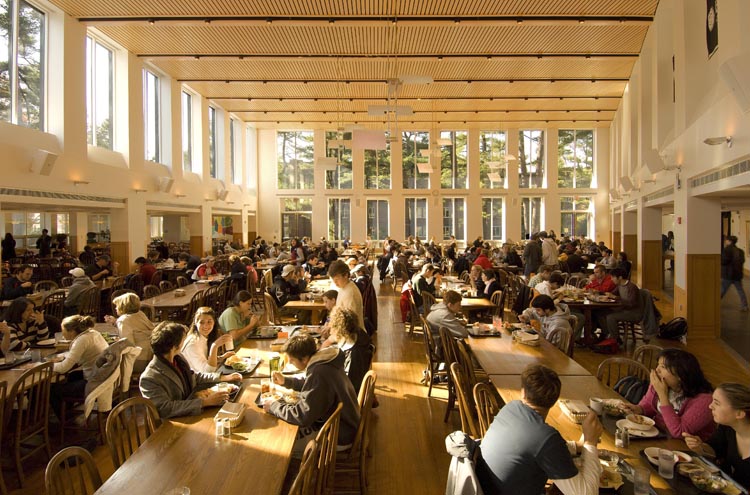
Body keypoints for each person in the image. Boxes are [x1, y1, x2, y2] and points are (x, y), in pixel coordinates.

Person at [476, 365, 602, 494]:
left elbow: (535, 449)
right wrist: (590, 442)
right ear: (554, 400)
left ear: (523, 392)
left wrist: (576, 446)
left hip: (484, 487)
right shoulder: (546, 438)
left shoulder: (511, 407)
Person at [262, 334, 361, 457]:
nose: (291, 363)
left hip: (340, 435)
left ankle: (305, 473)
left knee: (282, 445)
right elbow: (311, 384)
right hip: (345, 423)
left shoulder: (318, 372)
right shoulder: (324, 361)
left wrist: (273, 406)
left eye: (292, 360)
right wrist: (286, 381)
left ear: (304, 359)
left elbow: (302, 416)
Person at [139, 321, 242, 419]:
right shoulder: (149, 378)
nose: (185, 342)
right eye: (183, 340)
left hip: (192, 412)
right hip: (175, 424)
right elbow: (165, 408)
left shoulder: (178, 358)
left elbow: (194, 377)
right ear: (174, 347)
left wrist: (223, 377)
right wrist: (205, 402)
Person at [621, 349, 714, 441]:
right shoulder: (662, 383)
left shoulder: (705, 401)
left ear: (680, 375)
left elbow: (679, 432)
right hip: (659, 435)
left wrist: (662, 395)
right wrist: (638, 409)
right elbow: (648, 406)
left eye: (663, 367)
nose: (657, 370)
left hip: (684, 447)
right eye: (658, 365)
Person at [683, 383, 750, 487]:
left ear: (739, 414)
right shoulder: (728, 427)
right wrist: (700, 446)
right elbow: (714, 449)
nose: (710, 406)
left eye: (717, 403)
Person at [48, 315, 109, 418]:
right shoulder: (93, 333)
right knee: (72, 376)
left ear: (71, 331)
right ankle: (68, 411)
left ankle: (66, 418)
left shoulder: (81, 340)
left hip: (94, 384)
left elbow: (64, 368)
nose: (62, 333)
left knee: (53, 389)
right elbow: (77, 355)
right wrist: (63, 357)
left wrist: (45, 366)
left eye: (63, 330)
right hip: (104, 378)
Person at [323, 307, 373, 393]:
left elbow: (347, 385)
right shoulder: (358, 335)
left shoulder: (353, 355)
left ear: (338, 329)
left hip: (347, 398)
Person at [105, 292, 155, 373]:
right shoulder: (140, 314)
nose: (115, 308)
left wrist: (117, 342)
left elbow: (128, 345)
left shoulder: (123, 320)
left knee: (106, 363)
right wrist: (116, 322)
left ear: (123, 307)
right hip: (151, 357)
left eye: (117, 306)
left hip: (138, 361)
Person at [182, 307, 236, 373]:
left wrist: (221, 357)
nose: (206, 326)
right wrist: (215, 346)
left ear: (214, 322)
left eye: (209, 322)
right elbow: (208, 372)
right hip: (195, 381)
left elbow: (205, 361)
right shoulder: (192, 344)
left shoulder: (204, 337)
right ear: (195, 323)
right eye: (202, 322)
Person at [599, 267, 641, 340]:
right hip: (623, 309)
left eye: (613, 277)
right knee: (600, 313)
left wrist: (615, 298)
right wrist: (604, 295)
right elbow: (612, 294)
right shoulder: (619, 285)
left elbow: (631, 303)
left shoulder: (631, 287)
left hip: (633, 312)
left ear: (620, 277)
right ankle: (606, 334)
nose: (611, 279)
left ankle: (615, 339)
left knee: (610, 317)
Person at [426, 290, 468, 357]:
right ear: (450, 305)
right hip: (441, 348)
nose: (460, 307)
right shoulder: (445, 315)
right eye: (458, 305)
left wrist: (457, 321)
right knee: (467, 348)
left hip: (435, 342)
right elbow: (463, 333)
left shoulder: (440, 307)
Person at [328, 260, 365, 331]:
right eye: (333, 280)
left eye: (337, 279)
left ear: (346, 275)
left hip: (353, 336)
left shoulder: (350, 293)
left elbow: (349, 323)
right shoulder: (344, 287)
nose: (335, 283)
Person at [721, 235, 748, 311]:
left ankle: (715, 303)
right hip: (737, 274)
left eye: (726, 240)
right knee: (740, 290)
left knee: (722, 290)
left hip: (728, 274)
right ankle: (745, 306)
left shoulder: (726, 250)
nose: (725, 241)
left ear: (729, 241)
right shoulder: (740, 251)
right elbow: (742, 261)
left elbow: (723, 261)